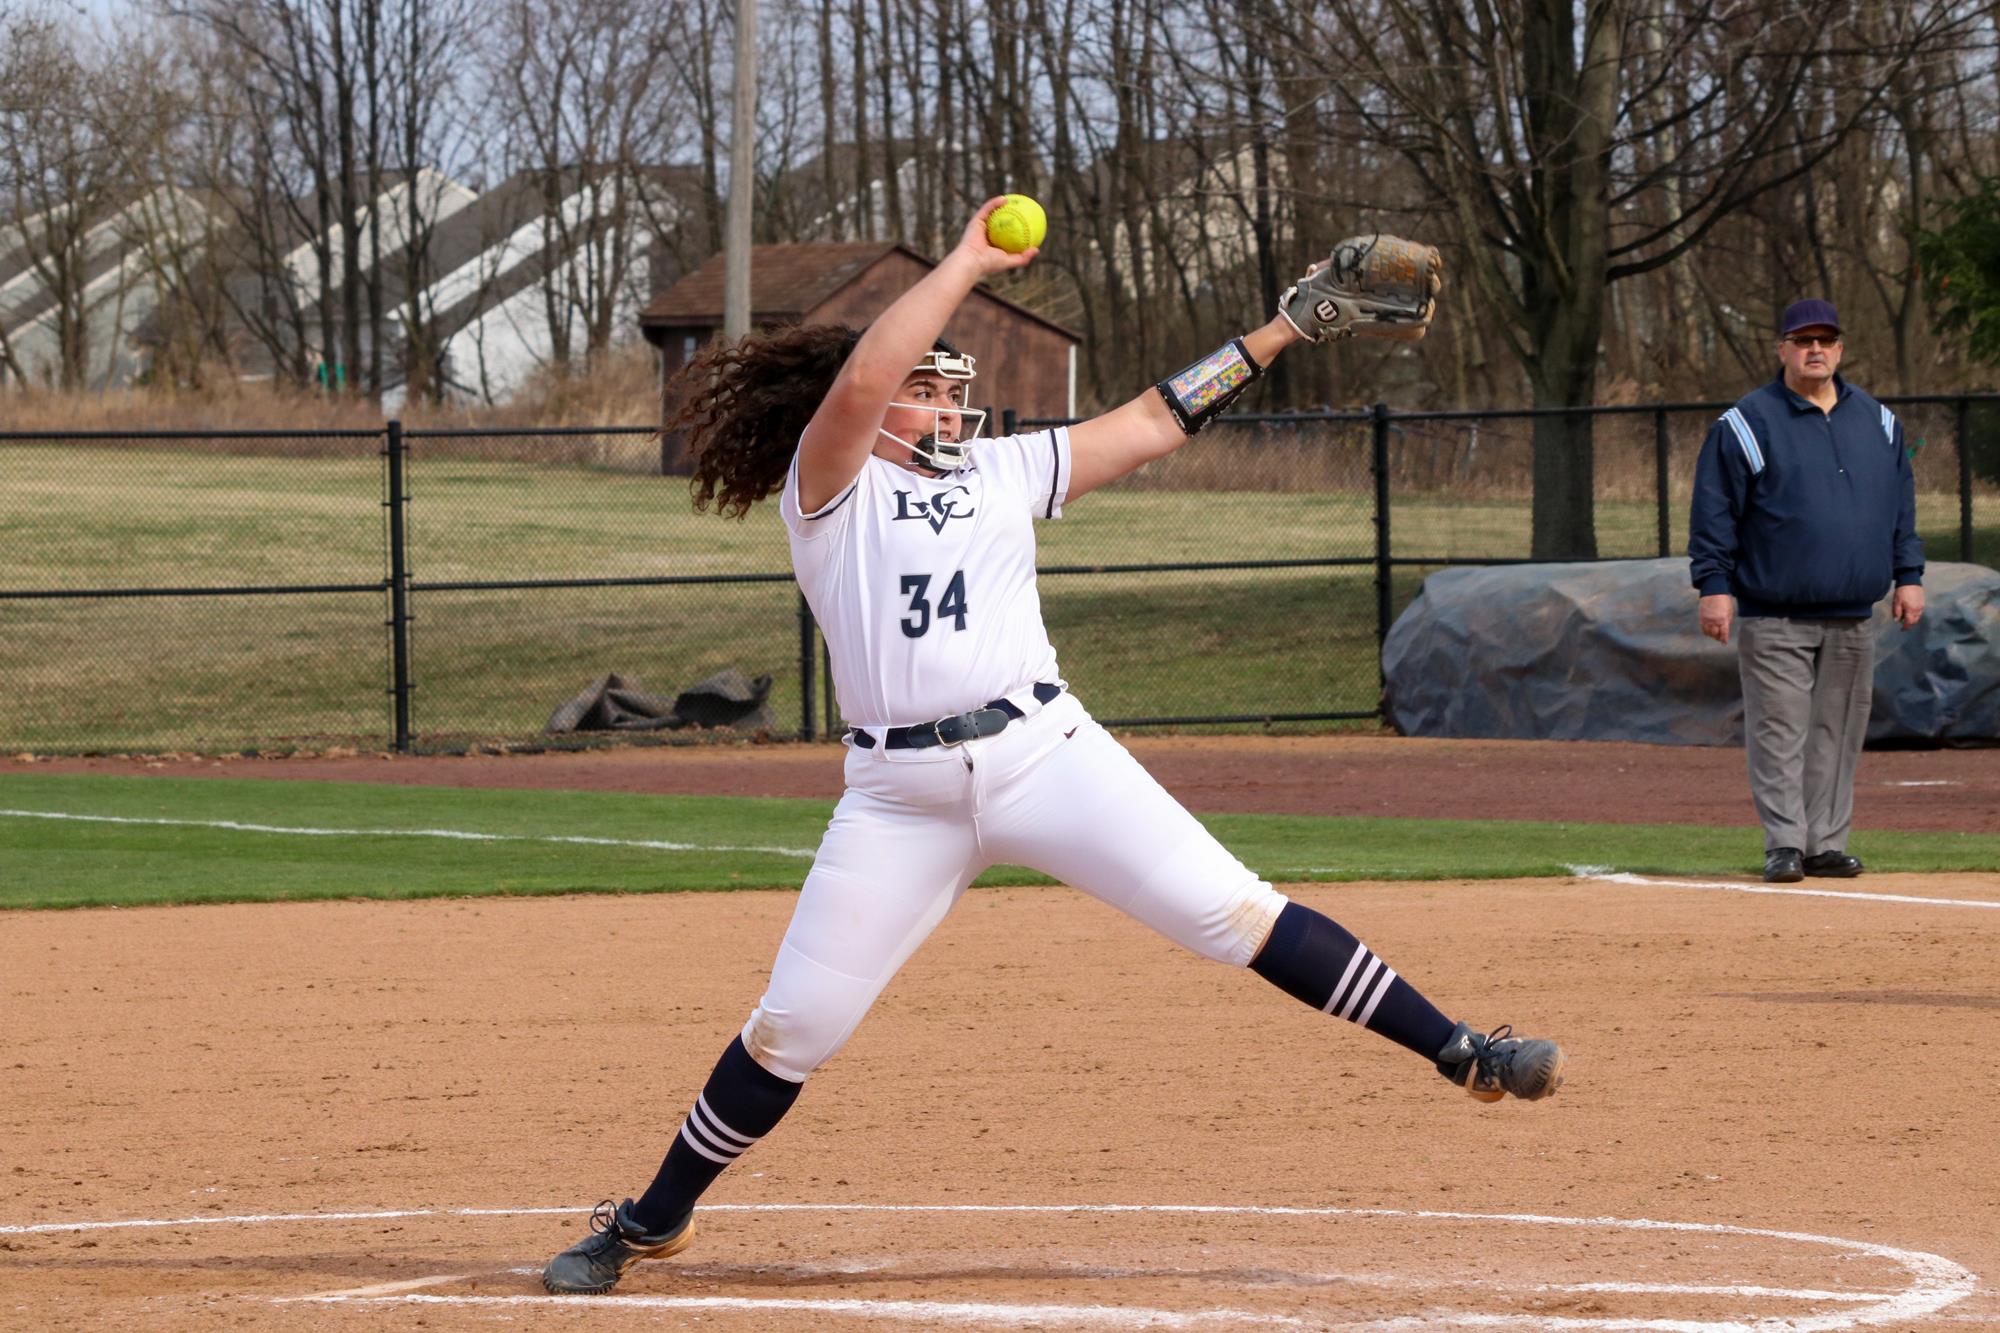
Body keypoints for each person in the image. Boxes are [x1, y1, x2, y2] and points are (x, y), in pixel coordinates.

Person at [541, 200, 1566, 1296]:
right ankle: (653, 1218)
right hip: (898, 797)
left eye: (949, 391)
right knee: (795, 1025)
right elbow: (854, 383)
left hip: (1045, 752)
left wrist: (1284, 328)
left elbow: (1159, 417)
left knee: (1235, 912)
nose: (941, 408)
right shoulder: (831, 486)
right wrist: (969, 259)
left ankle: (1461, 1049)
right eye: (922, 390)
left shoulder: (1003, 473)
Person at [1689, 297, 1925, 884]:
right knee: (1779, 729)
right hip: (1775, 612)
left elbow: (1901, 509)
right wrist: (1714, 586)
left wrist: (1910, 576)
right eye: (1802, 340)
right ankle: (1784, 844)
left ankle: (1825, 843)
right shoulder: (1746, 422)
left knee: (1837, 734)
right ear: (1783, 349)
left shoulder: (1879, 421)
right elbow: (1714, 511)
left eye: (1825, 339)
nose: (1814, 349)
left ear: (1840, 349)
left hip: (1853, 613)